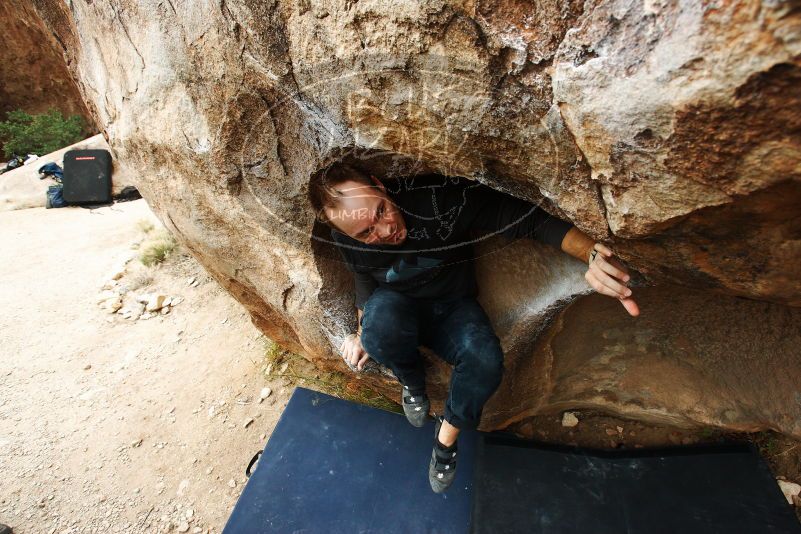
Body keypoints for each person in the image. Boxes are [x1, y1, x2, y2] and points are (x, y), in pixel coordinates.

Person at [308, 164, 639, 493]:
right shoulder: (347, 237)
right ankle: (413, 384)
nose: (384, 230)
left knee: (485, 360)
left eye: (381, 211)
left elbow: (526, 218)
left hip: (453, 307)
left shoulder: (439, 201)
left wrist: (592, 253)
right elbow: (364, 281)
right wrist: (360, 331)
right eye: (366, 233)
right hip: (397, 307)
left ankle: (445, 441)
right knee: (376, 332)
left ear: (381, 186)